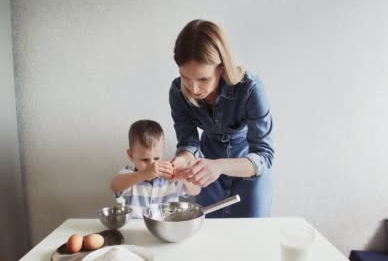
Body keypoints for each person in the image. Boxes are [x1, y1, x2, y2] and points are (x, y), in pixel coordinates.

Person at [168, 19, 274, 218]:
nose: (194, 88)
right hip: (206, 168)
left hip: (247, 168)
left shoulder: (250, 88)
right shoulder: (177, 91)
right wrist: (182, 161)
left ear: (222, 68)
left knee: (251, 235)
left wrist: (220, 166)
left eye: (203, 79)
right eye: (185, 77)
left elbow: (264, 156)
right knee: (210, 234)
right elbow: (188, 143)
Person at [110, 119, 200, 218]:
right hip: (136, 229)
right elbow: (115, 186)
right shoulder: (130, 176)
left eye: (157, 158)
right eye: (144, 160)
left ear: (162, 152)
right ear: (131, 156)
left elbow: (195, 190)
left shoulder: (170, 177)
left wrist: (182, 175)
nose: (152, 165)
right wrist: (143, 174)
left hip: (166, 229)